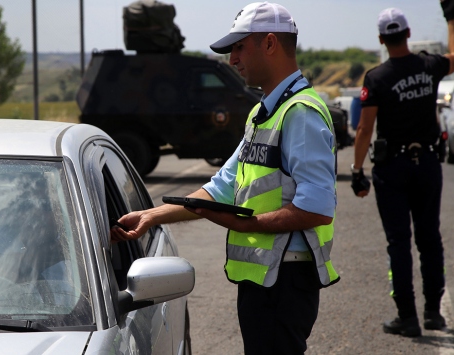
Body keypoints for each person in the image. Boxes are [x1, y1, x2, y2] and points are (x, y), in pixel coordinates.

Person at [111, 2, 339, 354]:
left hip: (285, 281)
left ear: (269, 43)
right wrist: (151, 216)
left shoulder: (301, 113)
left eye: (238, 47)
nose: (232, 59)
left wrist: (250, 225)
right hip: (265, 281)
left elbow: (318, 208)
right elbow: (221, 186)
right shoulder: (262, 113)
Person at [351, 5, 454, 338]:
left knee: (399, 242)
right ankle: (433, 313)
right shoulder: (429, 65)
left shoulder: (377, 78)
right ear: (408, 34)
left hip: (392, 167)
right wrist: (451, 18)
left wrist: (356, 170)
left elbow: (365, 129)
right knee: (430, 239)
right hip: (426, 164)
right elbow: (453, 55)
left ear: (381, 39)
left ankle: (407, 316)